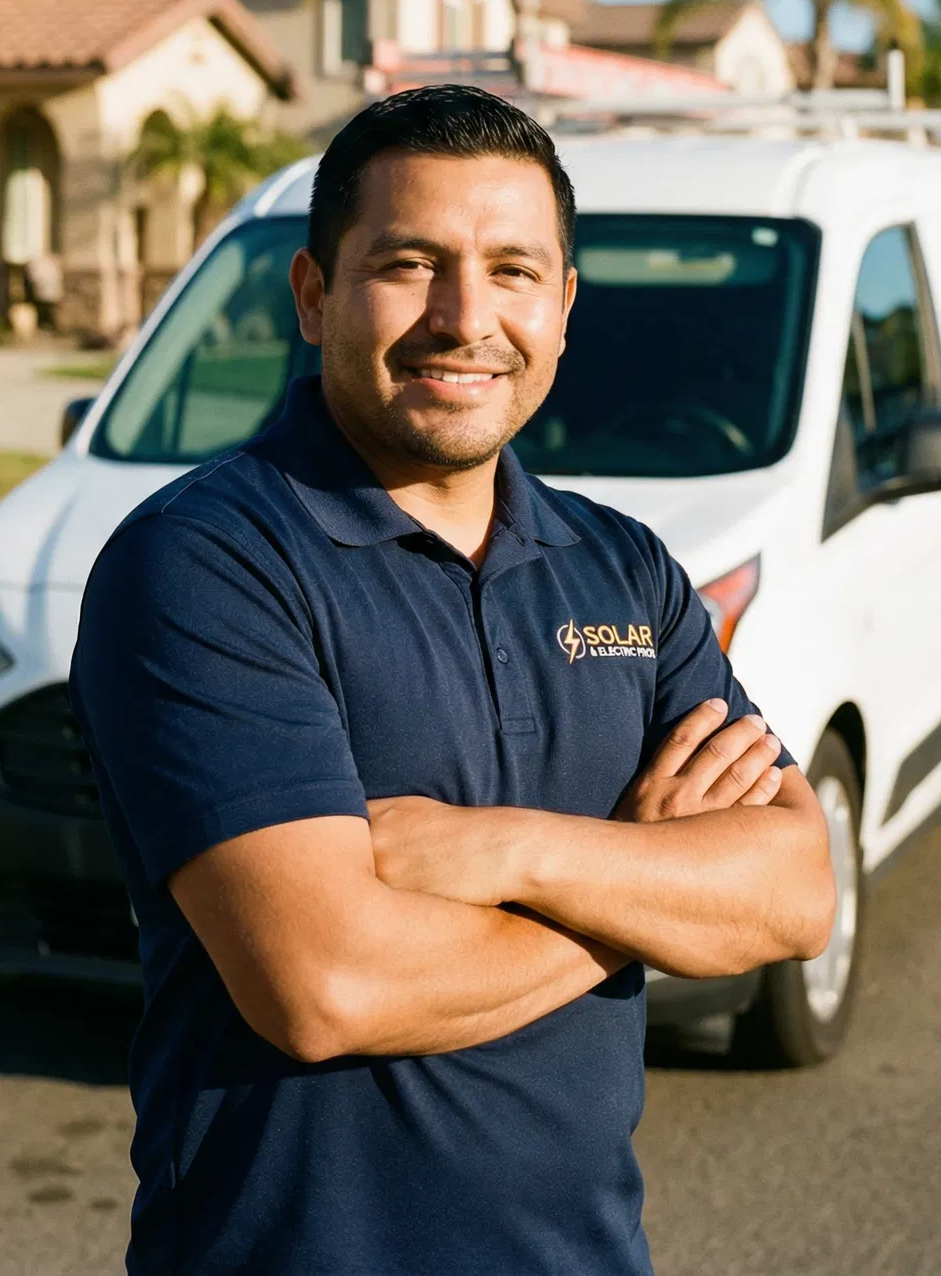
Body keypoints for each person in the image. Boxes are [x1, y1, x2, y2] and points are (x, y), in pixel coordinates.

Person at [71, 85, 834, 1276]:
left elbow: (793, 891)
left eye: (514, 271)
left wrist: (520, 852)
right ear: (316, 297)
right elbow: (326, 984)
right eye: (411, 262)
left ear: (565, 307)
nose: (464, 315)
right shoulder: (207, 562)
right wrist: (641, 893)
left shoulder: (621, 567)